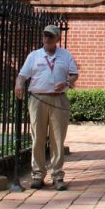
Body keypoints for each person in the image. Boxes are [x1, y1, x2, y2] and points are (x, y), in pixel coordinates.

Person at [15, 24, 79, 191]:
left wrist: (66, 82)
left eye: (50, 36)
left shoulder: (65, 55)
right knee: (38, 137)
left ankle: (57, 175)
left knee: (58, 138)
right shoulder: (34, 55)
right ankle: (37, 174)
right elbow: (22, 75)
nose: (47, 39)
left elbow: (74, 74)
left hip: (58, 99)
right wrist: (19, 84)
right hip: (38, 98)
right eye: (45, 35)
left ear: (57, 38)